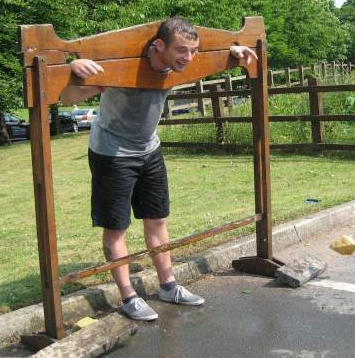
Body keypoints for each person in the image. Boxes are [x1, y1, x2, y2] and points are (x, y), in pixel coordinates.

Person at [61, 17, 257, 321]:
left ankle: (169, 285)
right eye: (181, 50)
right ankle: (128, 297)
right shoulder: (117, 67)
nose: (188, 58)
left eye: (193, 51)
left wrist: (233, 51)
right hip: (112, 152)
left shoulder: (183, 62)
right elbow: (66, 97)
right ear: (158, 45)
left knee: (157, 219)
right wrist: (74, 71)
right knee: (117, 226)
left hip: (149, 148)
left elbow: (219, 58)